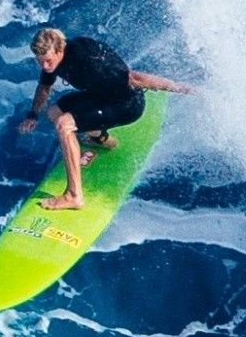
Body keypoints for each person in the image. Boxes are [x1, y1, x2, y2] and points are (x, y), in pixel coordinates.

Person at [15, 25, 190, 209]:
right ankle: (99, 138)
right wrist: (32, 115)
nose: (44, 66)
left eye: (48, 61)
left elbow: (135, 78)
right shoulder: (52, 61)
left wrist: (180, 88)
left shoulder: (86, 59)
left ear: (60, 49)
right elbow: (44, 87)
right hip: (100, 96)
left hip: (126, 104)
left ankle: (74, 196)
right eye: (40, 61)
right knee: (54, 112)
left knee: (64, 124)